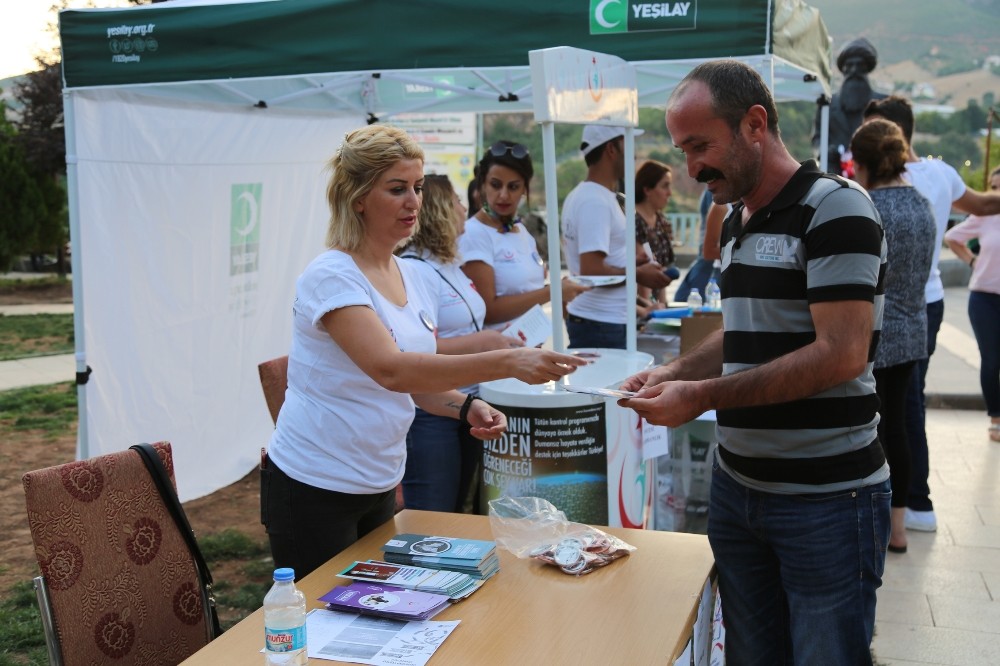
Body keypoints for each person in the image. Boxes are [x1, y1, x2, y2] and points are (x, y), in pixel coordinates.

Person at [619, 60, 889, 664]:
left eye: (700, 146)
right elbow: (743, 334)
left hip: (828, 501)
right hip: (739, 493)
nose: (691, 169)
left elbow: (840, 354)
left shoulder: (837, 210)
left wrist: (702, 398)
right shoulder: (737, 219)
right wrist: (675, 373)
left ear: (755, 124)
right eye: (682, 152)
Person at [261, 125, 585, 579]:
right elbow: (391, 371)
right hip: (316, 483)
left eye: (416, 187)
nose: (414, 201)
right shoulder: (332, 276)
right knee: (324, 626)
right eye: (397, 189)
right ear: (356, 197)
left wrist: (467, 405)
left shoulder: (410, 275)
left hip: (376, 479)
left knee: (371, 614)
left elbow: (416, 382)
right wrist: (507, 360)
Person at [863, 95, 1000, 532]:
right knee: (909, 407)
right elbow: (982, 205)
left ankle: (895, 508)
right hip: (927, 303)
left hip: (886, 313)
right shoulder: (937, 180)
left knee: (886, 412)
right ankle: (915, 505)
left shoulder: (873, 198)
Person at [397, 174, 524, 512]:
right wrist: (485, 342)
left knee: (458, 510)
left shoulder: (449, 263)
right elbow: (419, 349)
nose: (464, 207)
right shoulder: (416, 268)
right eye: (455, 200)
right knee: (433, 513)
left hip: (467, 401)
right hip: (431, 410)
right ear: (439, 210)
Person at [851, 119, 936, 553]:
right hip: (913, 328)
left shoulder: (867, 207)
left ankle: (874, 523)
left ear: (862, 163)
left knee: (871, 432)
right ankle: (898, 528)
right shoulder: (920, 203)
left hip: (876, 331)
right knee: (899, 429)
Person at [562, 125, 672, 349]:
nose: (634, 153)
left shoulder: (591, 196)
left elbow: (599, 262)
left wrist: (632, 264)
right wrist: (638, 274)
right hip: (601, 324)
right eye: (628, 144)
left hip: (600, 321)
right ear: (611, 149)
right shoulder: (595, 201)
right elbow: (591, 270)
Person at [459, 141, 588, 330]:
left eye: (513, 187)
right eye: (496, 185)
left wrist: (560, 290)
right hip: (499, 355)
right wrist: (552, 292)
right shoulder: (474, 233)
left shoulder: (522, 231)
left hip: (528, 350)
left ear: (524, 190)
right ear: (483, 186)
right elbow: (488, 310)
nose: (503, 195)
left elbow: (527, 291)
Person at [944, 165, 1000, 443]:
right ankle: (996, 418)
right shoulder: (984, 217)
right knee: (991, 361)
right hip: (985, 298)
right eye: (993, 187)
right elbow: (952, 237)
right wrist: (972, 261)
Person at [813, 37, 887, 174]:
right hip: (834, 175)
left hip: (873, 174)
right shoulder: (826, 103)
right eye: (849, 66)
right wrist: (825, 151)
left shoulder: (883, 103)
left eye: (860, 65)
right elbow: (817, 137)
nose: (854, 70)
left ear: (867, 69)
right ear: (843, 69)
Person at [634, 159, 676, 306]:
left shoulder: (662, 222)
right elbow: (645, 269)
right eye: (665, 186)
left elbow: (661, 271)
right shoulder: (632, 220)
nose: (669, 193)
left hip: (656, 304)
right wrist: (647, 309)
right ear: (647, 189)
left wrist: (663, 306)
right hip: (636, 304)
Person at [674, 187, 726, 303]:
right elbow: (708, 251)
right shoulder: (720, 204)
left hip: (717, 266)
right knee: (686, 301)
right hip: (714, 267)